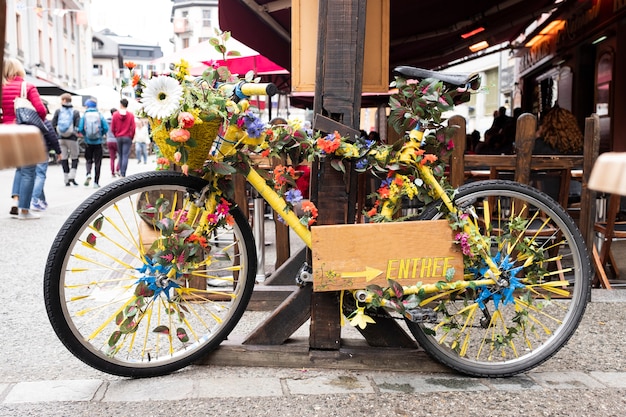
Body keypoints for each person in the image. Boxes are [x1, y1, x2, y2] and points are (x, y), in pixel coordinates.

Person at [1, 58, 47, 220]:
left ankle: (15, 203)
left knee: (20, 169)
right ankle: (25, 210)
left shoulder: (2, 88)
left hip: (6, 132)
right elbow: (41, 111)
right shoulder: (27, 86)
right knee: (29, 171)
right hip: (24, 131)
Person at [32, 104, 63, 211]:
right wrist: (58, 152)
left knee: (35, 175)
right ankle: (35, 200)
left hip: (29, 151)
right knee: (40, 176)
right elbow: (53, 137)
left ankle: (42, 200)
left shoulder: (29, 120)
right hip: (42, 151)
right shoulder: (44, 121)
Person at [52, 92, 81, 186]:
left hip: (61, 138)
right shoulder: (75, 112)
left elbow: (53, 124)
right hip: (72, 138)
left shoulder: (58, 111)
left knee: (64, 158)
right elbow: (78, 126)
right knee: (74, 157)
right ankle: (72, 176)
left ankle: (66, 179)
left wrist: (57, 135)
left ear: (64, 100)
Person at [78, 99, 109, 188]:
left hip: (88, 142)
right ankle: (96, 182)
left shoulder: (85, 115)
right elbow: (106, 127)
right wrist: (100, 135)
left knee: (88, 160)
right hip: (98, 142)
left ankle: (88, 173)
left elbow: (80, 128)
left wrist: (85, 136)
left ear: (87, 106)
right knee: (98, 161)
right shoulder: (99, 115)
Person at [110, 98, 136, 177]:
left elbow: (112, 127)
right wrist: (131, 136)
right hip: (127, 137)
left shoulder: (115, 115)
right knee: (125, 155)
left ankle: (120, 170)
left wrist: (116, 135)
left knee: (120, 155)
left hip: (118, 136)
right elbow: (133, 127)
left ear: (121, 104)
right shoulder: (131, 115)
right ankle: (123, 173)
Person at [105, 108, 120, 177]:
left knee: (112, 158)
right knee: (120, 156)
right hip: (117, 140)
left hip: (109, 140)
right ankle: (117, 169)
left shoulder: (106, 121)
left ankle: (112, 172)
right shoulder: (117, 120)